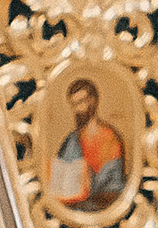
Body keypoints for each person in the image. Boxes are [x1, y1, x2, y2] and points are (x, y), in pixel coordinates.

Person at [52, 72, 128, 211]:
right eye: (74, 104)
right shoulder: (71, 141)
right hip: (73, 209)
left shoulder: (110, 138)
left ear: (93, 101)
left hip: (104, 208)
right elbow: (60, 181)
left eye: (80, 102)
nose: (77, 109)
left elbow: (115, 185)